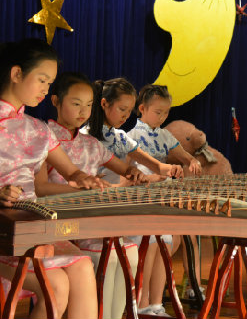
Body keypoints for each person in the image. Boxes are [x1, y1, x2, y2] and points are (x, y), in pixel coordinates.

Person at [0, 39, 103, 319]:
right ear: (16, 74)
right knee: (56, 285)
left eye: (50, 83)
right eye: (42, 80)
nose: (46, 90)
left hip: (34, 227)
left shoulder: (37, 128)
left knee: (83, 266)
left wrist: (86, 179)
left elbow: (71, 171)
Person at [36, 71, 155, 319]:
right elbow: (39, 189)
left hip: (90, 221)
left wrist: (134, 173)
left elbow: (123, 168)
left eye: (88, 105)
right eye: (76, 104)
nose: (83, 112)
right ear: (55, 101)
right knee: (108, 256)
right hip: (58, 222)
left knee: (129, 251)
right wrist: (79, 190)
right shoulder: (44, 138)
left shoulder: (90, 143)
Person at [85, 77, 184, 317]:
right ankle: (133, 305)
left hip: (120, 205)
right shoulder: (87, 136)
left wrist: (169, 169)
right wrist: (125, 183)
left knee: (161, 237)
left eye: (129, 111)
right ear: (104, 104)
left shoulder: (119, 136)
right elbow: (89, 183)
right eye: (122, 109)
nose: (126, 116)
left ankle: (144, 306)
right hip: (97, 209)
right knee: (144, 239)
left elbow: (154, 165)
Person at [128, 84, 204, 309]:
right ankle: (141, 303)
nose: (162, 117)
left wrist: (192, 160)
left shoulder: (164, 135)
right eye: (158, 112)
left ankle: (156, 303)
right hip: (142, 198)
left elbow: (184, 155)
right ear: (142, 108)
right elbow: (127, 172)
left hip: (162, 197)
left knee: (165, 245)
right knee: (149, 246)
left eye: (166, 113)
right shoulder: (131, 136)